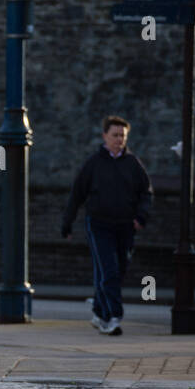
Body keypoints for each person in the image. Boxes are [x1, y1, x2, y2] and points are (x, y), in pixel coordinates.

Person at [60, 116, 153, 335]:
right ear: (105, 136)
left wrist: (141, 217)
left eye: (122, 136)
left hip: (125, 226)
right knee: (108, 270)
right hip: (99, 224)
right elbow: (77, 195)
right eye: (115, 135)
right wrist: (67, 224)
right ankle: (113, 317)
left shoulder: (133, 164)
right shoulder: (93, 164)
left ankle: (98, 310)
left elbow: (146, 193)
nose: (119, 140)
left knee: (117, 271)